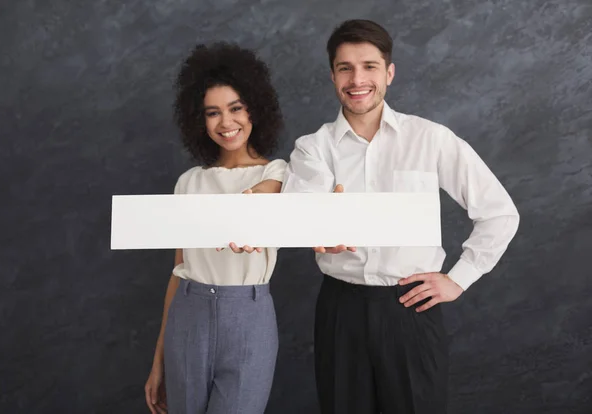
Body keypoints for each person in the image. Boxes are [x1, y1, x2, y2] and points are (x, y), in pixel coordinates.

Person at [282, 19, 520, 414]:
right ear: (332, 76)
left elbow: (500, 213)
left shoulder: (431, 138)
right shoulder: (313, 148)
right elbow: (302, 208)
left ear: (389, 73)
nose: (357, 78)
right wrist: (314, 227)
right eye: (345, 68)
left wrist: (459, 279)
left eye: (369, 66)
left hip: (411, 306)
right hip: (341, 309)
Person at [144, 42, 286, 414]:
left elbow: (262, 198)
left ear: (255, 106)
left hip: (249, 317)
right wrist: (158, 360)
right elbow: (178, 273)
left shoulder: (278, 174)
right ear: (198, 120)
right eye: (212, 113)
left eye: (236, 108)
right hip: (187, 314)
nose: (226, 123)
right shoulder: (189, 182)